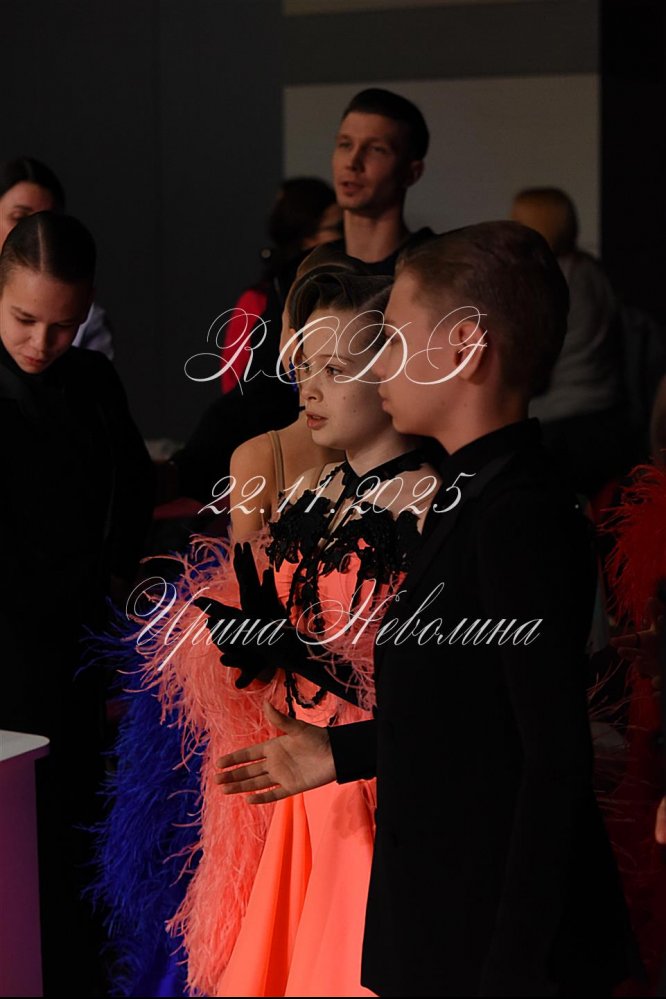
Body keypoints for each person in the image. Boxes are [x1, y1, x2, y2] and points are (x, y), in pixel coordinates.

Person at [216, 221, 639, 997]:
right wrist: (338, 751)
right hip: (444, 909)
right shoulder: (470, 495)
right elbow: (474, 715)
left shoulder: (517, 511)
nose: (382, 366)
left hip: (484, 936)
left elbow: (551, 760)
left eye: (399, 339)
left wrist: (511, 968)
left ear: (466, 348)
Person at [137, 268, 440, 997]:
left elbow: (437, 678)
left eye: (335, 369)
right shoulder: (312, 491)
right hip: (300, 784)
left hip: (374, 783)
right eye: (305, 367)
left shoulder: (430, 502)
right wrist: (257, 647)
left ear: (390, 370)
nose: (310, 389)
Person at [0, 210, 154, 995]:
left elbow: (131, 495)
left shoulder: (93, 381)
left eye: (63, 325)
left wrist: (120, 580)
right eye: (24, 319)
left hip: (80, 654)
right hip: (4, 657)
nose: (41, 341)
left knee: (74, 854)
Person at [167, 89, 434, 509]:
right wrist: (182, 470)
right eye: (344, 144)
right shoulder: (298, 275)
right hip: (310, 484)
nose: (353, 162)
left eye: (376, 149)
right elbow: (260, 391)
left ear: (411, 170)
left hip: (409, 480)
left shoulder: (430, 272)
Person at [510, 187, 633, 496]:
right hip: (604, 416)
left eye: (518, 221)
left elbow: (536, 358)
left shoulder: (549, 278)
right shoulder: (591, 270)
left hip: (563, 423)